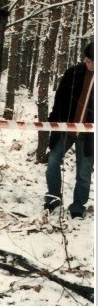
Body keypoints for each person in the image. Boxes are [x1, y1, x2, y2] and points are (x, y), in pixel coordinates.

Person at [44, 40, 94, 220]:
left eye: (91, 62)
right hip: (65, 130)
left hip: (88, 137)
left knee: (84, 173)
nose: (87, 64)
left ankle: (77, 207)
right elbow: (60, 99)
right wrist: (54, 121)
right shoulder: (73, 73)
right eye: (86, 60)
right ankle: (53, 197)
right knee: (52, 163)